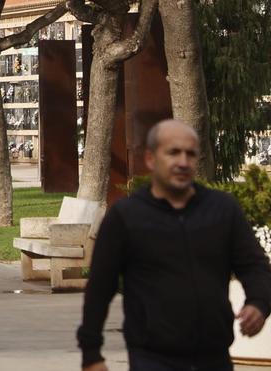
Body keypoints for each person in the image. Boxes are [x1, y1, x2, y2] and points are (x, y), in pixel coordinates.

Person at [78, 120, 271, 370]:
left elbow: (254, 266)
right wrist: (91, 354)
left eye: (190, 154)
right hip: (153, 358)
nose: (183, 162)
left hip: (214, 357)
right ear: (150, 159)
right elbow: (100, 288)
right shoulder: (126, 217)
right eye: (173, 152)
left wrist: (259, 302)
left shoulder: (223, 210)